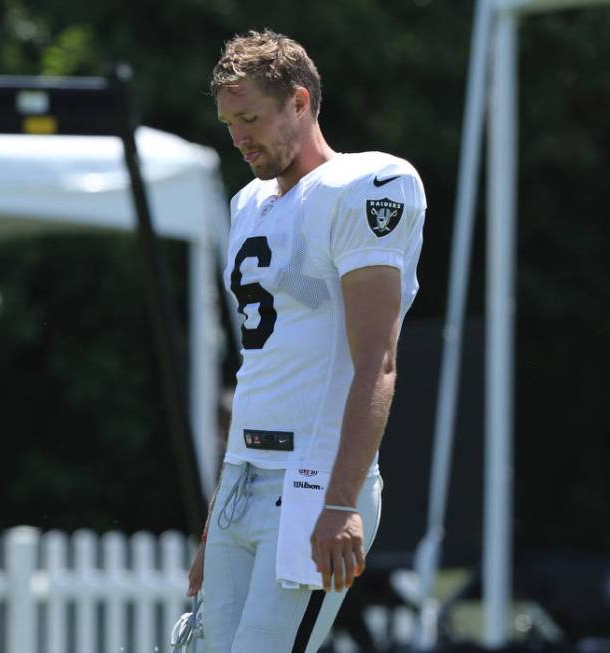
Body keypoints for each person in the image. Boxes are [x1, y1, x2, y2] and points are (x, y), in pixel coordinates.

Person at [186, 29, 427, 652]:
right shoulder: (248, 203)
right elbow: (262, 369)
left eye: (250, 118)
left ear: (299, 102)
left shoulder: (368, 185)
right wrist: (217, 522)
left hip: (308, 479)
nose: (238, 136)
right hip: (243, 475)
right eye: (228, 121)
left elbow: (377, 358)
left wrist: (341, 500)